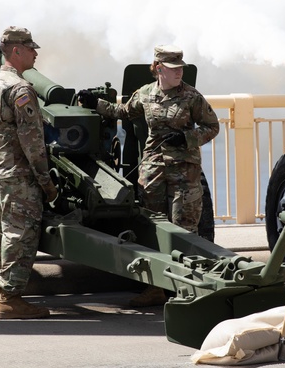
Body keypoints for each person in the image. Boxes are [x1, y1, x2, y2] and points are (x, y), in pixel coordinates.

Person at [77, 45, 219, 306]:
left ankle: (186, 290)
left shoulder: (191, 96)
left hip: (184, 174)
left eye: (181, 69)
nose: (179, 73)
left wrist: (187, 138)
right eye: (174, 69)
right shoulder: (144, 94)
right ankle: (154, 288)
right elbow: (123, 113)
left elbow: (212, 127)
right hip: (153, 171)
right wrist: (94, 104)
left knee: (184, 230)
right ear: (159, 69)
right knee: (153, 229)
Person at [0, 26, 58, 319]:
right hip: (18, 174)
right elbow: (33, 142)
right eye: (30, 48)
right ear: (16, 51)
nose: (35, 52)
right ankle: (11, 299)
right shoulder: (21, 89)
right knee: (19, 235)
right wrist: (45, 181)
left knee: (0, 235)